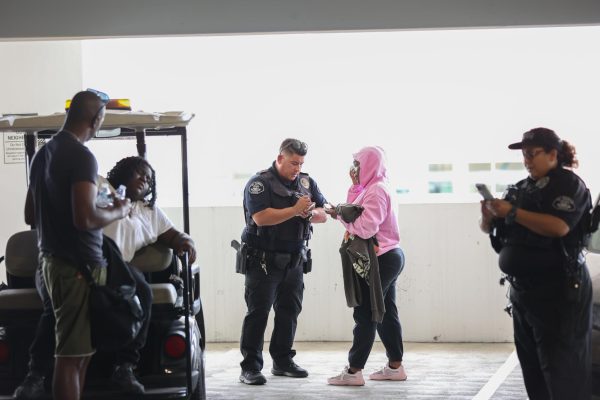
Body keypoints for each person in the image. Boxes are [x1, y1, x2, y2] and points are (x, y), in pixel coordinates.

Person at [14, 155, 197, 398]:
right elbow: (92, 205)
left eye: (150, 178)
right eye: (138, 172)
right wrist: (119, 202)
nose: (145, 179)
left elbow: (174, 236)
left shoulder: (150, 212)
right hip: (68, 259)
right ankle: (35, 376)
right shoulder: (102, 189)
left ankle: (125, 367)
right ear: (122, 172)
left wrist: (186, 242)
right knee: (56, 306)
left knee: (142, 292)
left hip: (115, 266)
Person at [23, 90, 132, 400]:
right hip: (74, 269)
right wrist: (119, 210)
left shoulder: (43, 155)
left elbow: (30, 214)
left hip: (51, 263)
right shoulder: (82, 156)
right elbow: (84, 218)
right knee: (70, 358)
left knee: (80, 353)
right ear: (95, 119)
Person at [479, 127, 592, 400]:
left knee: (563, 372)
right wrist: (488, 216)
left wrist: (513, 212)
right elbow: (490, 229)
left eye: (532, 154)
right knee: (534, 372)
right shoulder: (521, 188)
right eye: (524, 156)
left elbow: (559, 226)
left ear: (553, 154)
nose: (527, 160)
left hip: (559, 293)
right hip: (523, 294)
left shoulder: (568, 185)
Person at [238, 138, 327, 385]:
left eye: (300, 163)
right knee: (258, 313)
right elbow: (261, 218)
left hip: (295, 260)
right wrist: (296, 209)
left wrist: (311, 213)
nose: (296, 168)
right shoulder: (259, 183)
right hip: (263, 260)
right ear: (279, 158)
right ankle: (250, 368)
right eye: (292, 163)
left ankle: (283, 361)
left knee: (289, 311)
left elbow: (324, 212)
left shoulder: (307, 182)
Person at [325, 146, 407, 386]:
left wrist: (338, 216)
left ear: (370, 164)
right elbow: (355, 208)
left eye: (358, 164)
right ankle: (395, 367)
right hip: (385, 257)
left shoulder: (377, 192)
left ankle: (353, 371)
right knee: (385, 312)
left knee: (366, 313)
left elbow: (365, 227)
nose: (354, 169)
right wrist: (354, 188)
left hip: (382, 259)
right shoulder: (371, 188)